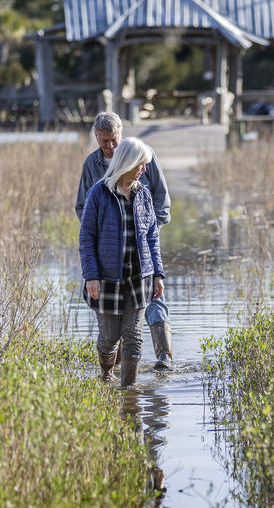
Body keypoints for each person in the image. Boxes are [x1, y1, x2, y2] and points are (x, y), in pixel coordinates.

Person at [76, 112, 174, 370]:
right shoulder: (92, 167)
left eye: (114, 140)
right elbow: (82, 210)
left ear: (122, 134)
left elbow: (161, 199)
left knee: (153, 297)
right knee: (113, 318)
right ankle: (114, 361)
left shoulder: (143, 156)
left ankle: (164, 356)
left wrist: (147, 230)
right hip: (108, 250)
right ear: (97, 137)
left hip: (143, 242)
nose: (109, 146)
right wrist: (104, 235)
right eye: (104, 141)